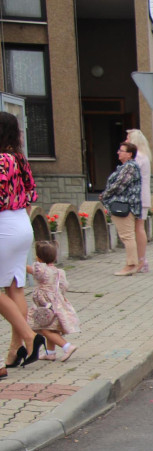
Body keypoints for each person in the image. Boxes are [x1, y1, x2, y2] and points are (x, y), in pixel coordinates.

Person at [0, 111, 45, 377]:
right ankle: (15, 350)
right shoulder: (19, 159)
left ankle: (30, 337)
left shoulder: (1, 161)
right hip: (20, 222)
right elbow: (31, 192)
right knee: (15, 288)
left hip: (4, 224)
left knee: (9, 289)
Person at [26, 240, 79, 361]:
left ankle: (67, 346)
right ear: (55, 257)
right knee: (52, 327)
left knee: (44, 328)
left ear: (38, 258)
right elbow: (64, 286)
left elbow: (31, 270)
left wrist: (19, 265)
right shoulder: (59, 272)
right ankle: (50, 353)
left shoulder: (41, 269)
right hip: (57, 303)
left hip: (45, 304)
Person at [100, 141, 143, 276]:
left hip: (124, 205)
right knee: (128, 235)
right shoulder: (127, 166)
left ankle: (131, 265)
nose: (118, 152)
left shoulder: (129, 167)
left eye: (121, 150)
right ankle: (131, 264)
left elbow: (119, 185)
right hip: (127, 204)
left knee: (127, 236)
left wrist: (104, 195)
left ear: (129, 154)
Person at [125, 129, 152, 273]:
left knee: (138, 228)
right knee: (137, 228)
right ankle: (141, 259)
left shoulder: (138, 157)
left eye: (128, 138)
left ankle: (141, 259)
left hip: (138, 197)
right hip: (141, 196)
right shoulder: (144, 156)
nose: (126, 140)